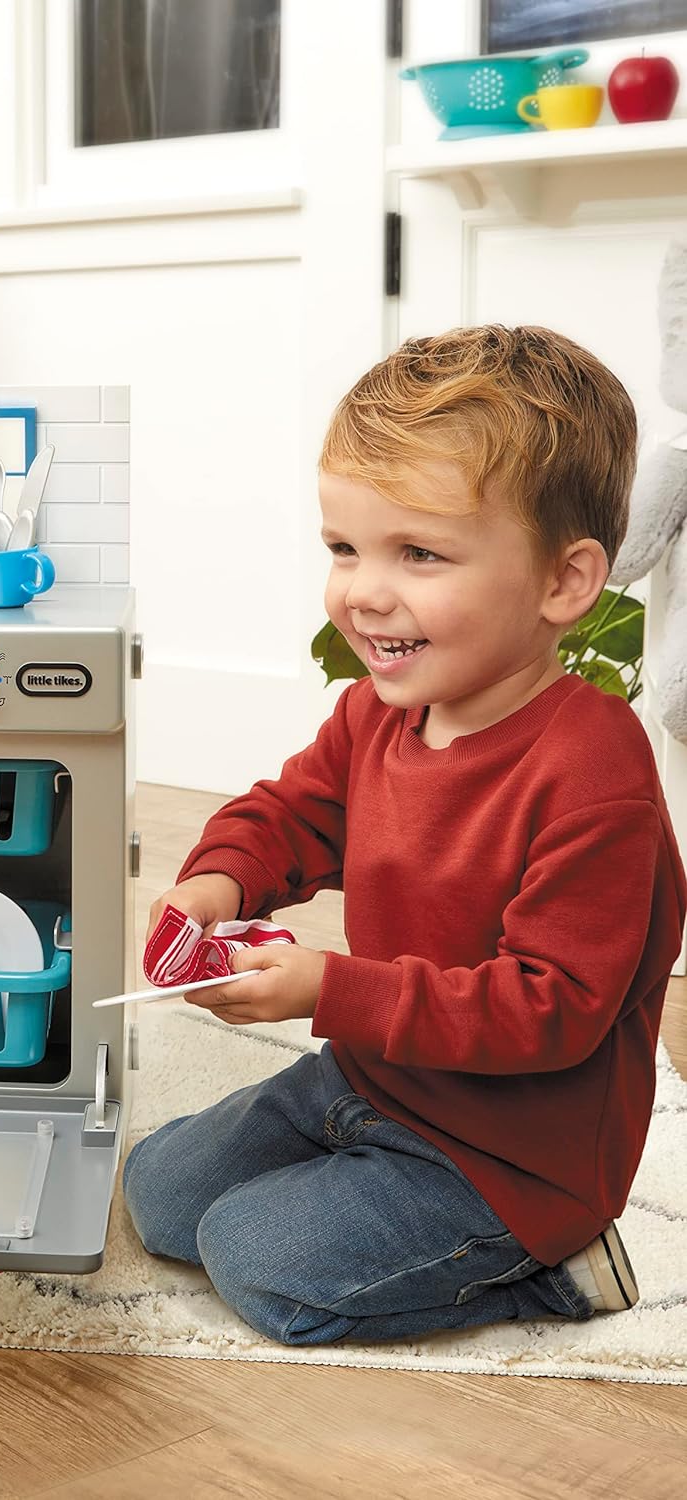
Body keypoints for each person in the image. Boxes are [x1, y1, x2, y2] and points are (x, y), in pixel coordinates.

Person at [125, 325, 687, 1345]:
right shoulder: (377, 714)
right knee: (161, 1193)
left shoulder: (595, 776)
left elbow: (549, 1010)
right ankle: (357, 1181)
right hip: (375, 1075)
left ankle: (552, 1271)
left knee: (258, 1262)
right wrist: (216, 883)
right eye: (344, 548)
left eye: (418, 553)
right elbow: (289, 813)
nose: (362, 591)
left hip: (511, 1156)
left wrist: (327, 988)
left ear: (565, 584)